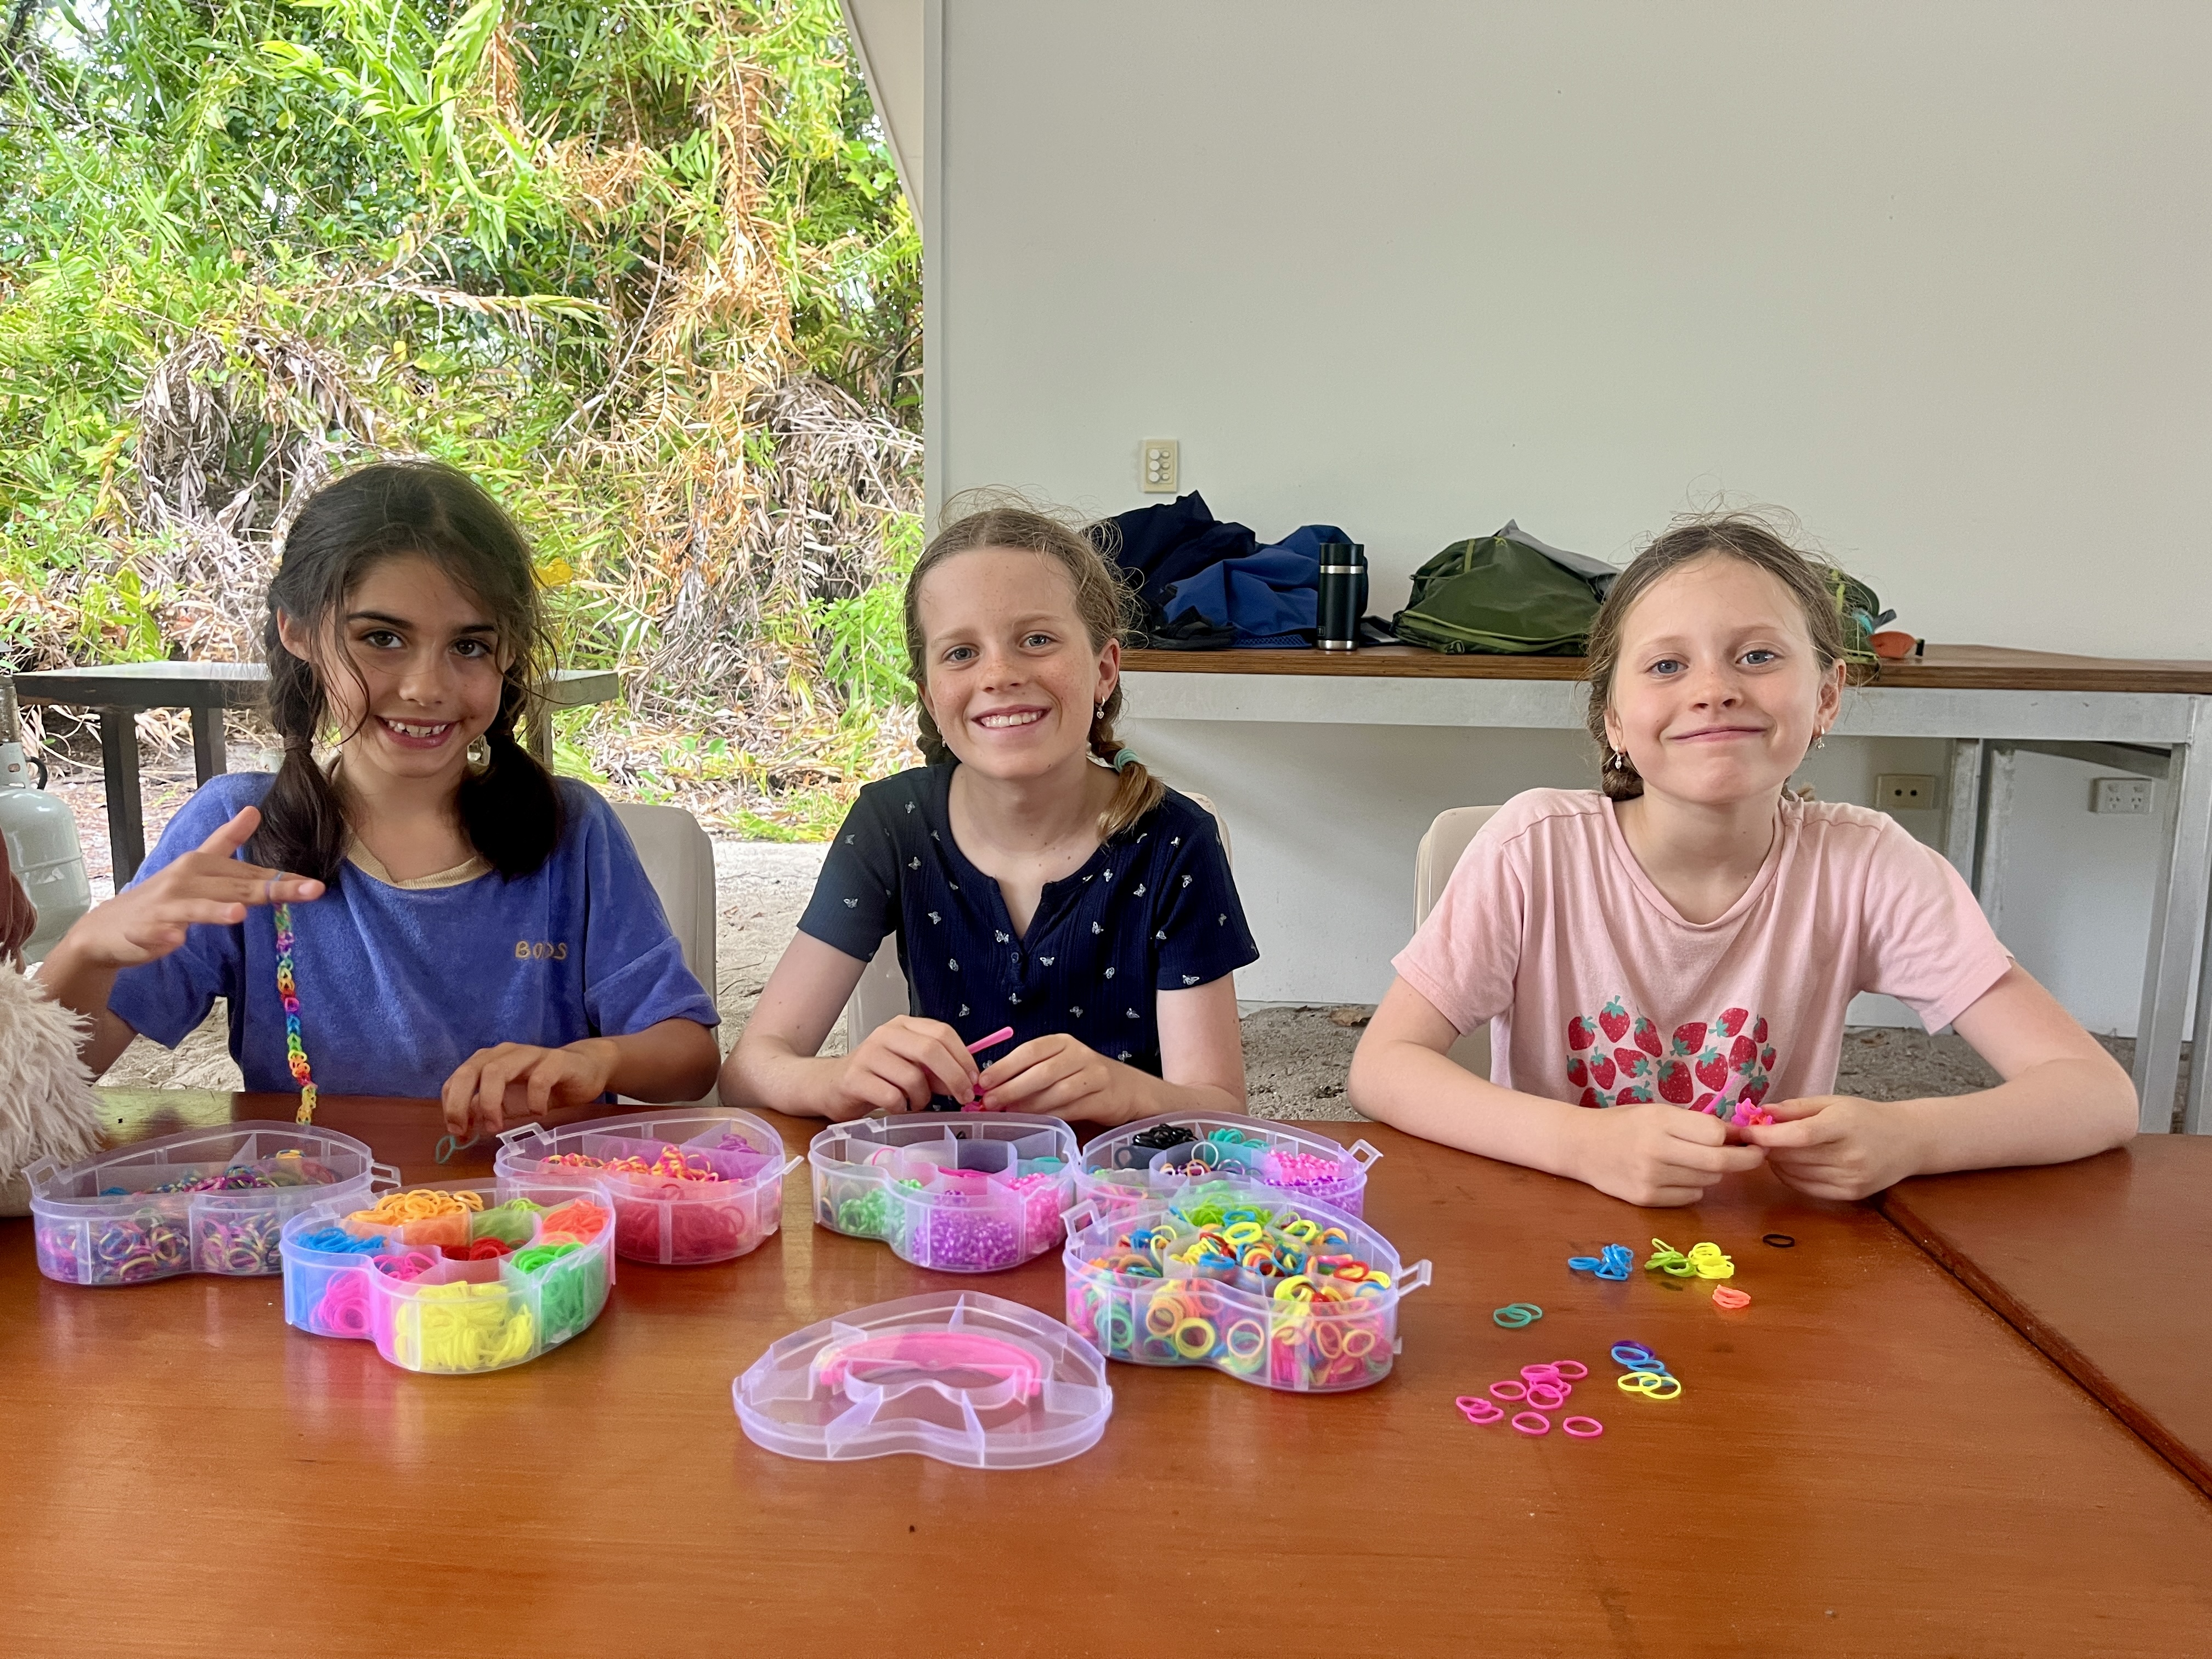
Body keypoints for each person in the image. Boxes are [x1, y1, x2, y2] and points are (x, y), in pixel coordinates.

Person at [1348, 513, 2136, 1205]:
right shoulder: (1533, 848)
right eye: (1667, 665)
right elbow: (1384, 1066)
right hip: (1555, 1229)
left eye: (1758, 656)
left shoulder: (1869, 867)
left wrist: (1911, 1137)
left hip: (1766, 1248)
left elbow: (2097, 1094)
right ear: (1614, 718)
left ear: (1826, 696)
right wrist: (1580, 1144)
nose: (1714, 689)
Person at [40, 460, 719, 1138]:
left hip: (531, 1202)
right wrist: (87, 950)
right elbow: (45, 1087)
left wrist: (596, 1061)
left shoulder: (571, 833)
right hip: (313, 1204)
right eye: (382, 639)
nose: (427, 687)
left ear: (509, 652)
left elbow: (688, 1060)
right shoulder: (241, 833)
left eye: (469, 645)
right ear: (298, 632)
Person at [723, 501, 1257, 1124]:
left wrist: (1128, 1092)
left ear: (1105, 670)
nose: (999, 674)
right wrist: (834, 1079)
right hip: (936, 1177)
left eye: (1037, 640)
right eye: (960, 653)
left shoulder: (1176, 841)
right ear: (930, 696)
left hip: (1120, 1183)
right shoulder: (891, 823)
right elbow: (748, 1071)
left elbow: (1222, 1109)